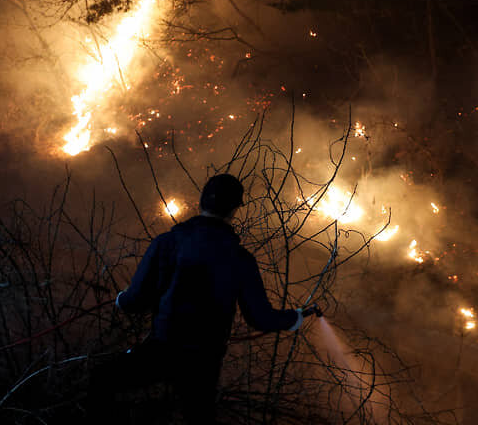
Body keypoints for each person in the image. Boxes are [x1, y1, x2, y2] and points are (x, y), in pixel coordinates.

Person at [88, 174, 313, 424]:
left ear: (200, 202)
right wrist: (294, 318)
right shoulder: (240, 258)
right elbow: (259, 317)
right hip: (203, 361)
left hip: (162, 350)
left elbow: (136, 300)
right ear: (234, 210)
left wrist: (121, 299)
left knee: (101, 380)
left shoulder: (167, 243)